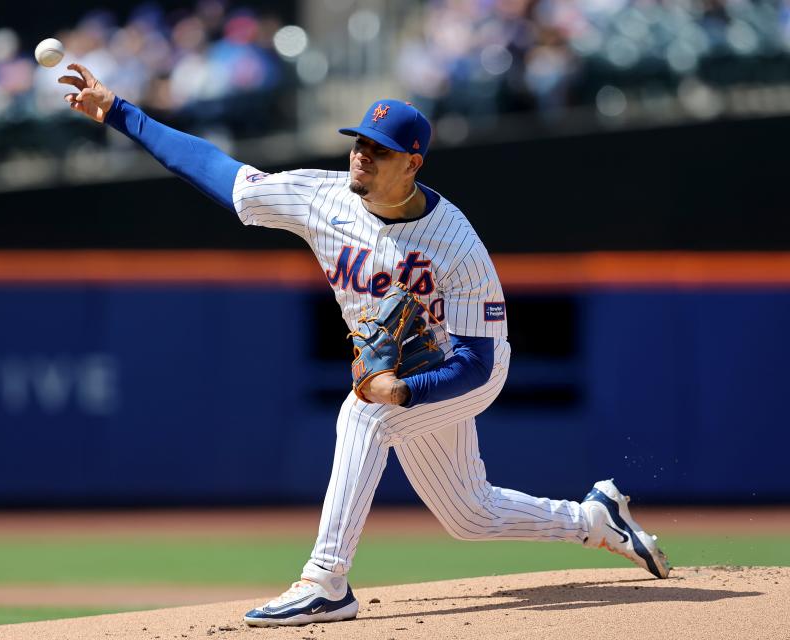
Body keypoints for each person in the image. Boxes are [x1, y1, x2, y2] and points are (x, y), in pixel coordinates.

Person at [58, 63, 671, 628]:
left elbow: (477, 361)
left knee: (366, 413)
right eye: (358, 144)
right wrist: (118, 111)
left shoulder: (455, 244)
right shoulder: (322, 198)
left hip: (466, 371)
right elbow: (220, 172)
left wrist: (405, 390)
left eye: (378, 152)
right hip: (406, 366)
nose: (361, 158)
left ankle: (326, 581)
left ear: (413, 163)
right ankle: (592, 519)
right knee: (469, 515)